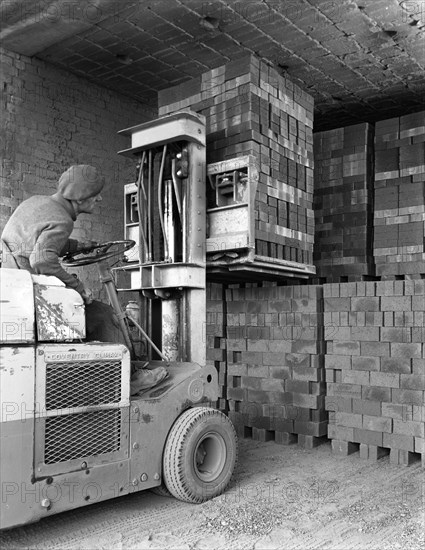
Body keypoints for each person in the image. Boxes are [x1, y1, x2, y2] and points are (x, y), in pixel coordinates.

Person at [1, 164, 167, 392]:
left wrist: (79, 246)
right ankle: (126, 382)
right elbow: (41, 259)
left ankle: (99, 376)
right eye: (94, 194)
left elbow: (37, 243)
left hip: (13, 287)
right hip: (30, 296)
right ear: (79, 198)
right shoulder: (63, 220)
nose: (98, 199)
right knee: (105, 316)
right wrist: (77, 286)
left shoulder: (36, 203)